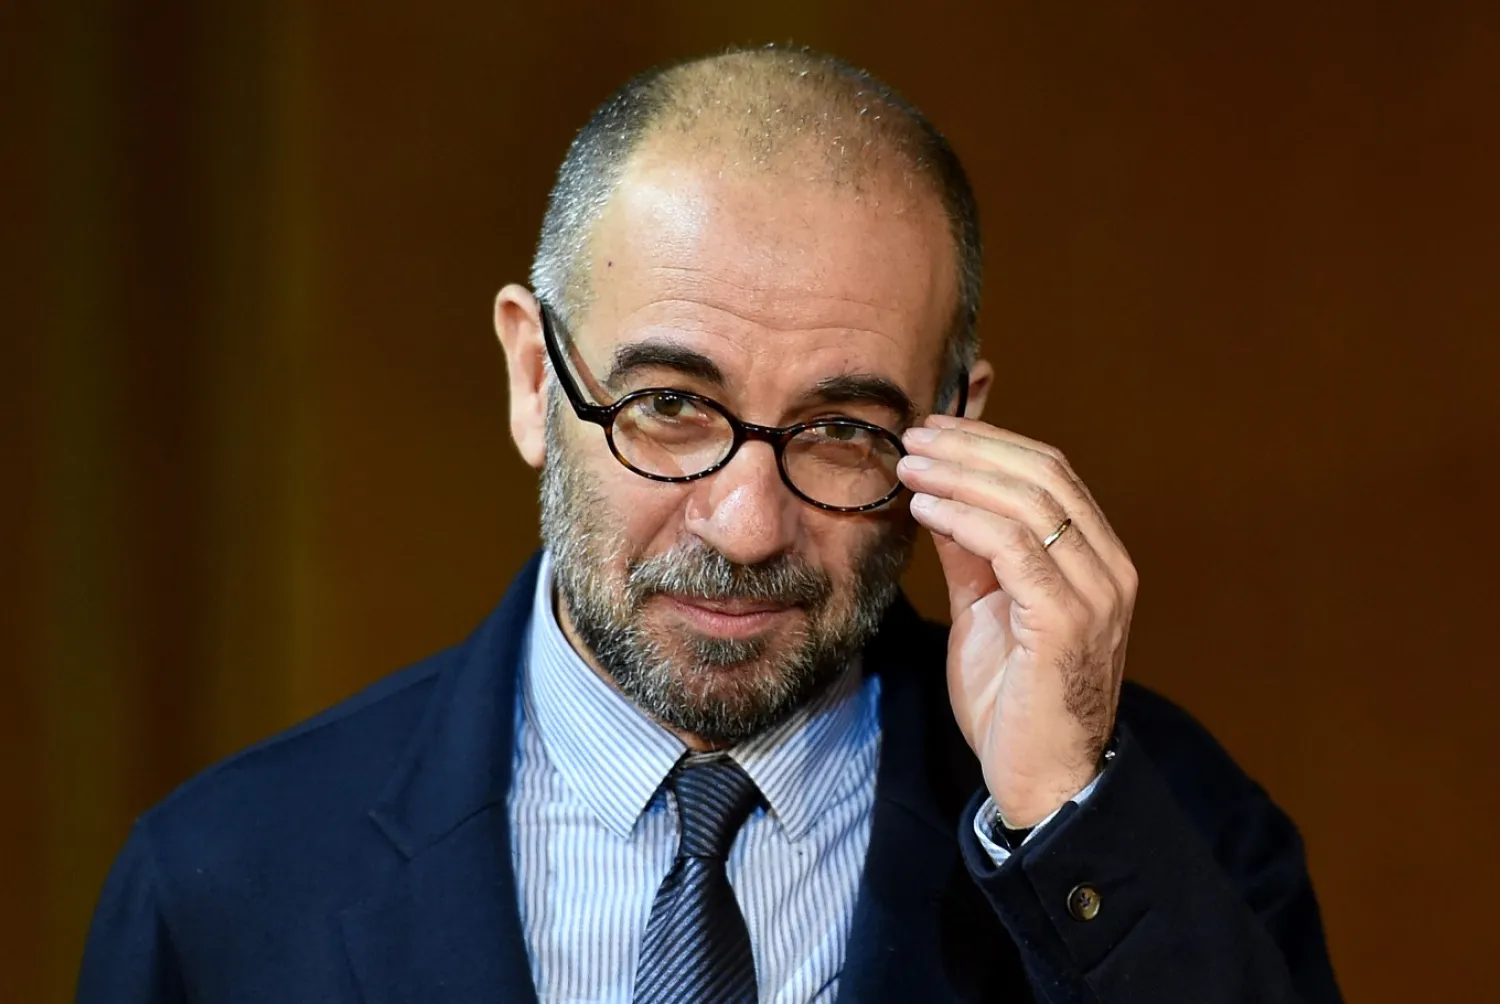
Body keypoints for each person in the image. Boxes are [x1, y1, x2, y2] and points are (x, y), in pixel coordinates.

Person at [77, 46, 1342, 1004]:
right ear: (533, 377)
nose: (745, 526)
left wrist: (1069, 826)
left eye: (844, 428)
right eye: (673, 406)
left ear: (957, 424)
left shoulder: (1163, 832)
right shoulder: (221, 884)